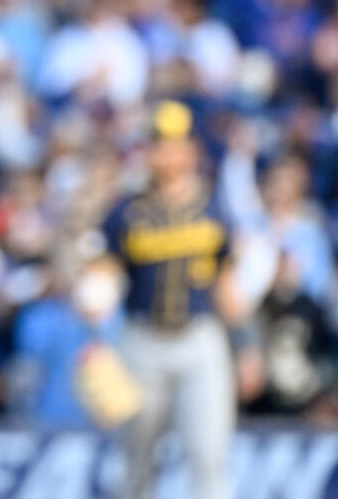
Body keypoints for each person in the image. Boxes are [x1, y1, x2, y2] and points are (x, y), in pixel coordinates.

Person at [95, 101, 241, 499]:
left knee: (208, 457)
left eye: (173, 143)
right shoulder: (125, 210)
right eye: (157, 143)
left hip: (200, 339)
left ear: (192, 150)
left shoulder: (217, 205)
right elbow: (101, 278)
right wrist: (91, 308)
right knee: (136, 462)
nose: (164, 152)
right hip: (143, 342)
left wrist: (248, 345)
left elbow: (229, 286)